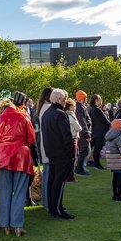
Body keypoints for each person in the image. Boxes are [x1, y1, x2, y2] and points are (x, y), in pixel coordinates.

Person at [0, 92, 36, 235]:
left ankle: (5, 225)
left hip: (3, 156)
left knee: (4, 192)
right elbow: (31, 138)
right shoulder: (24, 117)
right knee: (19, 192)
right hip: (21, 156)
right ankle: (17, 225)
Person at [40, 89, 75, 219]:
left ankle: (53, 208)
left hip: (51, 152)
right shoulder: (60, 114)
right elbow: (66, 136)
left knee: (52, 181)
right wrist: (71, 154)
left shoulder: (46, 114)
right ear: (59, 99)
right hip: (61, 153)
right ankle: (57, 210)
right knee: (58, 182)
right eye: (65, 98)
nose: (66, 100)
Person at [103, 119, 121, 202]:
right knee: (120, 178)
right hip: (119, 159)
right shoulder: (120, 137)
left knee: (115, 177)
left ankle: (115, 194)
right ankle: (119, 195)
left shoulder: (108, 135)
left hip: (111, 159)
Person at [35, 87, 54, 209]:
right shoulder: (47, 107)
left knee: (47, 173)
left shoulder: (42, 107)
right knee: (48, 175)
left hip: (44, 141)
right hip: (48, 142)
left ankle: (47, 202)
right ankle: (48, 203)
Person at [88, 94, 110, 170]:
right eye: (100, 99)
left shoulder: (92, 109)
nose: (101, 100)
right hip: (99, 132)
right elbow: (105, 121)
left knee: (93, 148)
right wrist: (112, 125)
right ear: (96, 100)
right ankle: (96, 164)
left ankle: (94, 163)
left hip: (95, 131)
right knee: (97, 148)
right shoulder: (97, 109)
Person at [74, 90, 91, 175]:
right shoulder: (79, 108)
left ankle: (80, 168)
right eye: (85, 97)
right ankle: (79, 169)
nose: (86, 99)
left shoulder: (80, 106)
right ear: (82, 98)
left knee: (85, 151)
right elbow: (82, 121)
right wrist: (86, 134)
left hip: (82, 132)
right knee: (84, 151)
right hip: (82, 133)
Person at [65, 98, 82, 181]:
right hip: (73, 137)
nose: (75, 108)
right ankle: (70, 177)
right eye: (74, 106)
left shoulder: (66, 114)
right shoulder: (70, 115)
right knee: (73, 158)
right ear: (70, 107)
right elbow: (78, 127)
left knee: (71, 157)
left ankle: (69, 175)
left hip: (71, 137)